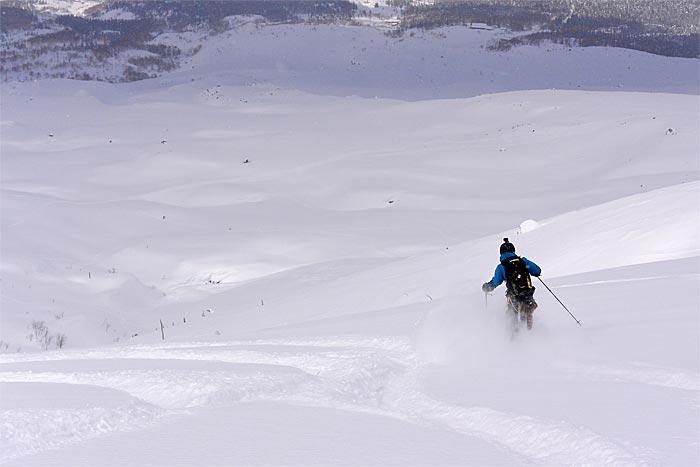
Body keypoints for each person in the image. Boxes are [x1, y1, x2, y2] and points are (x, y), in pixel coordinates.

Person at [482, 238, 541, 329]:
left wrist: (487, 287)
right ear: (513, 251)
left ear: (501, 253)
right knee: (527, 318)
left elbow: (495, 282)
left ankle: (514, 339)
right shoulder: (523, 261)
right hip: (527, 295)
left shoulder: (501, 266)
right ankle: (530, 336)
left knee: (512, 319)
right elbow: (537, 271)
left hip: (514, 298)